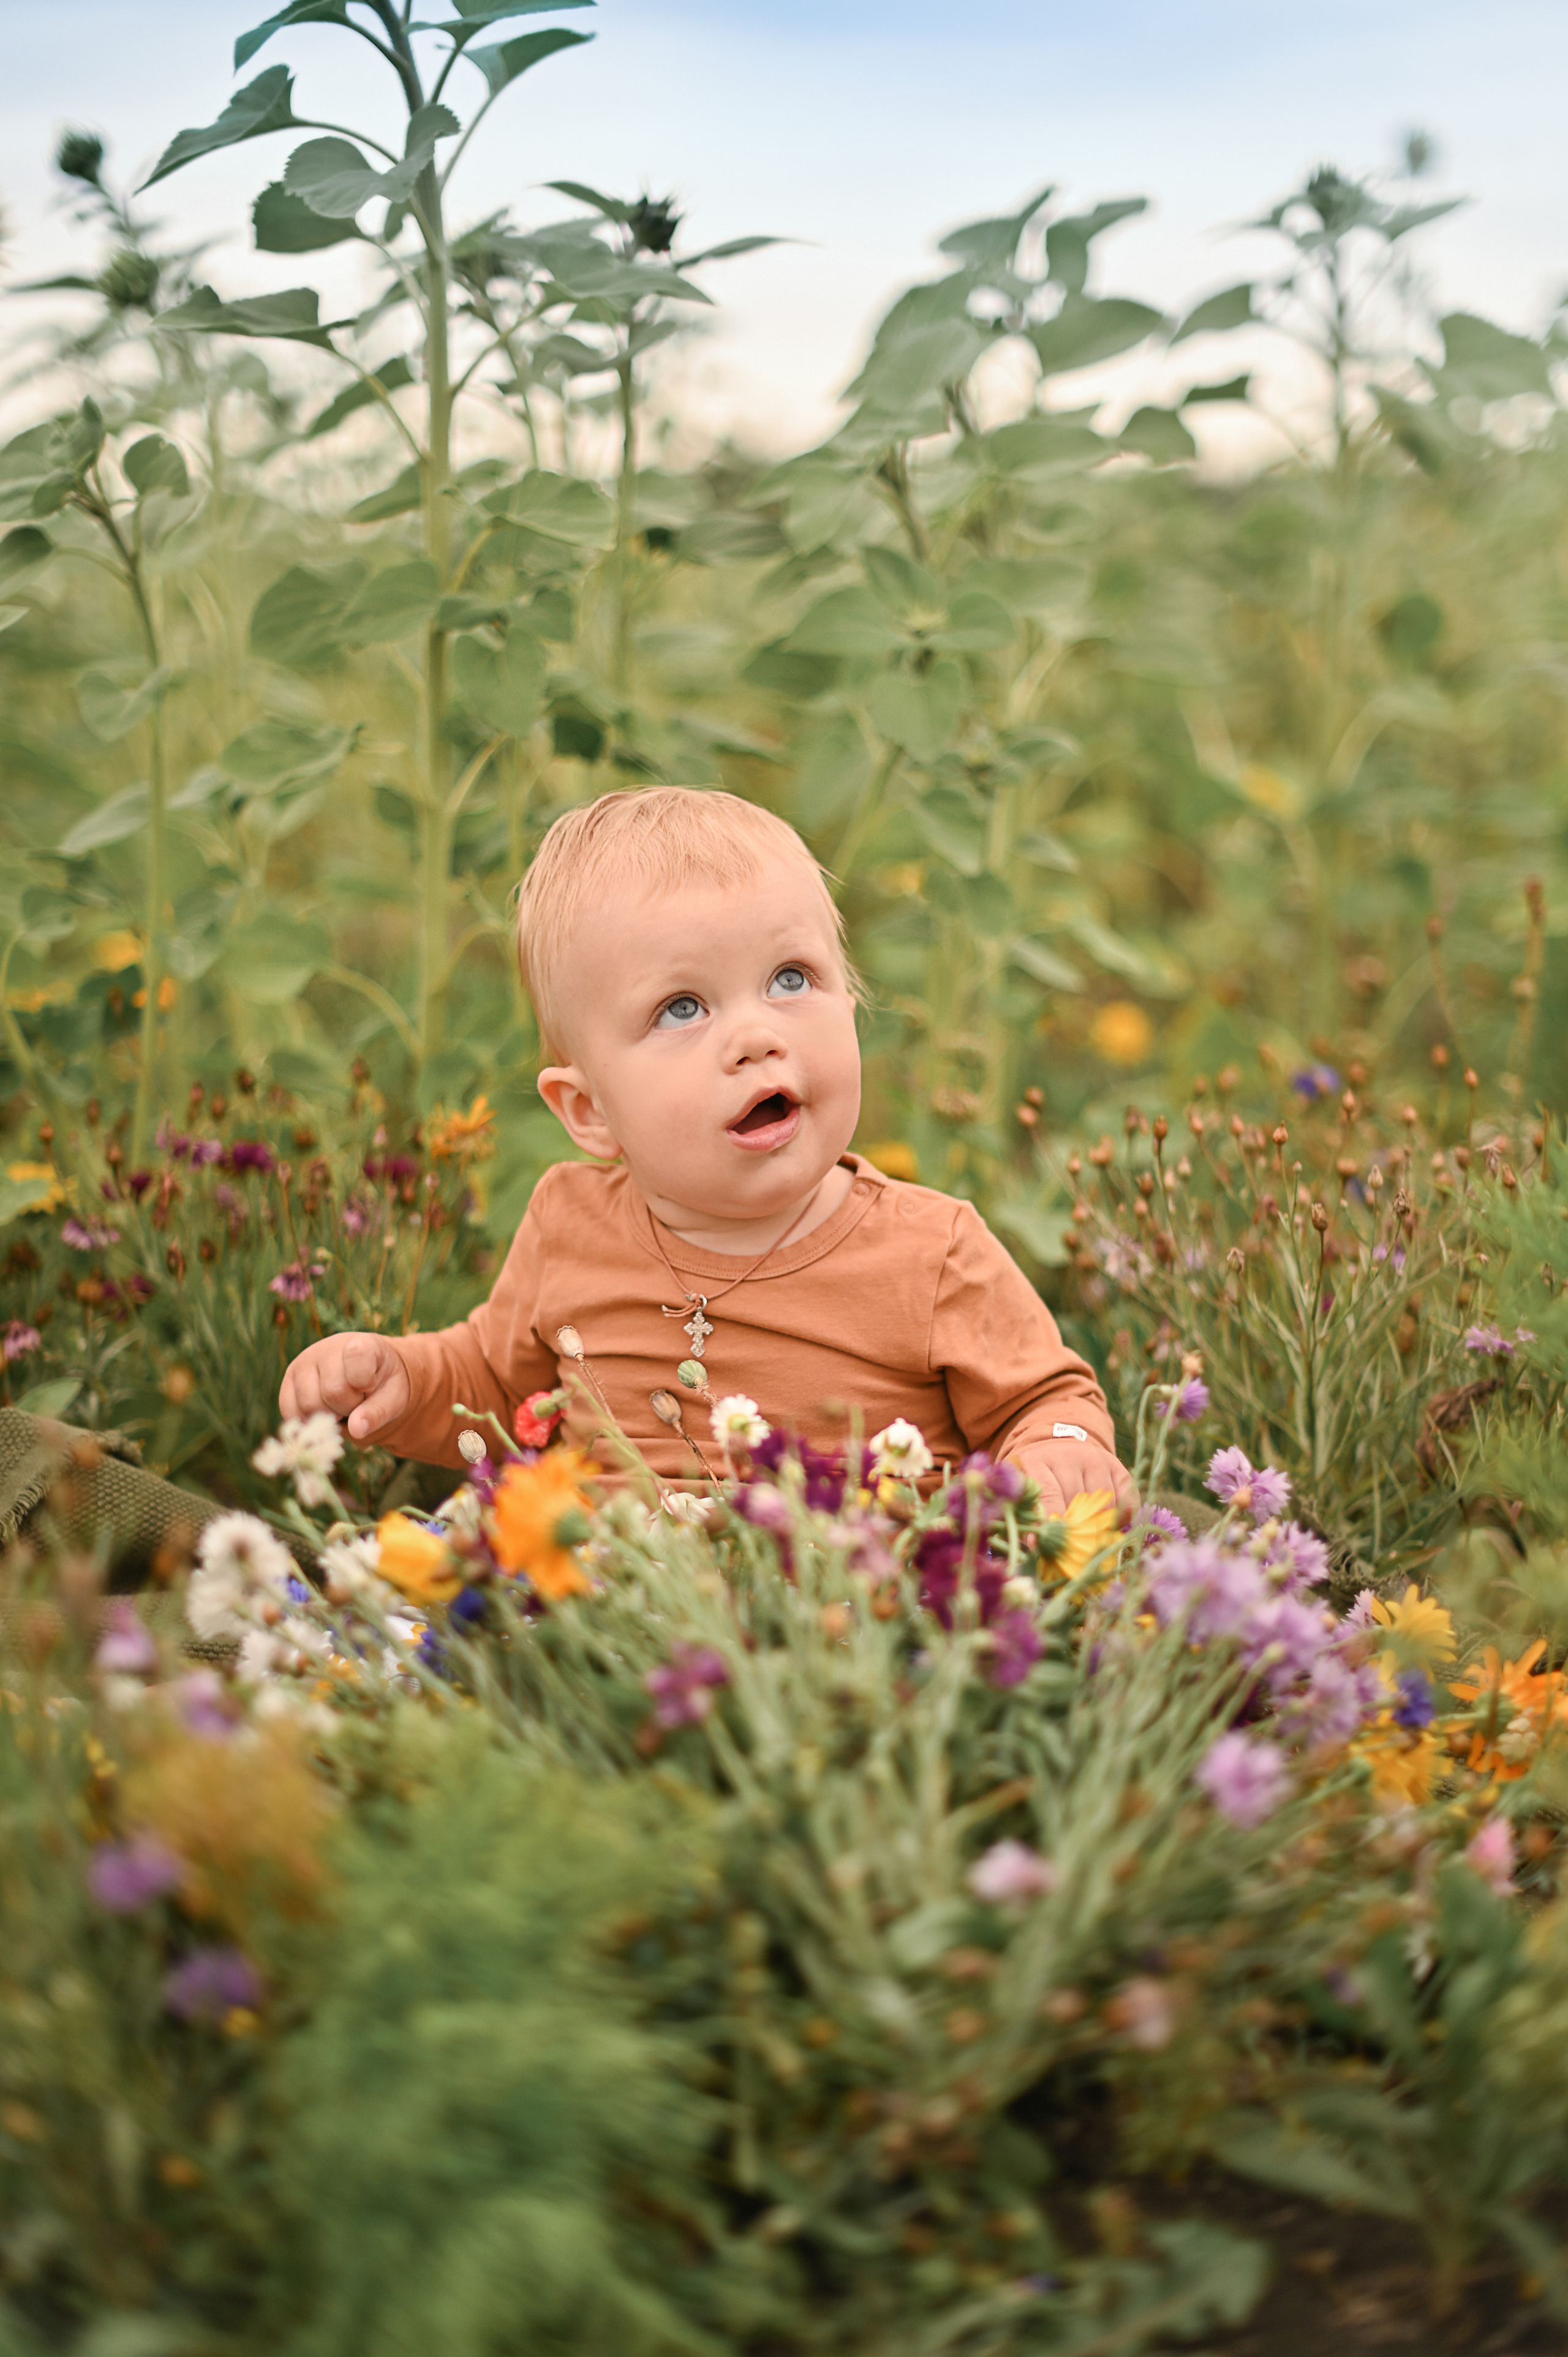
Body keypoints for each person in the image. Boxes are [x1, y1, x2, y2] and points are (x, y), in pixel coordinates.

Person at [279, 788, 1130, 1509]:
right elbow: (500, 1389)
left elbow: (1046, 1396)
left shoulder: (930, 1252)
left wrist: (1057, 1448)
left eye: (791, 979)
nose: (756, 1035)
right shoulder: (567, 1223)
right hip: (619, 1616)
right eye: (683, 1008)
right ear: (590, 1111)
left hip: (857, 1612)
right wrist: (400, 1379)